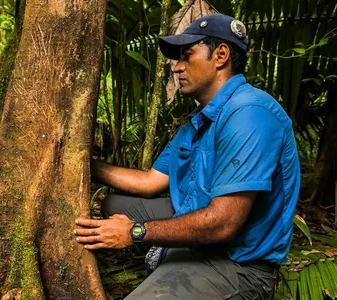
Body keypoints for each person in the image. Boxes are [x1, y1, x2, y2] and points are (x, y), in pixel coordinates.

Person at [74, 13, 300, 299]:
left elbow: (223, 223)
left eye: (187, 56)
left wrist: (135, 232)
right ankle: (174, 251)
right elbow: (148, 182)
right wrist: (84, 163)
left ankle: (178, 264)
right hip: (203, 231)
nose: (177, 68)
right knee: (116, 204)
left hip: (236, 264)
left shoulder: (250, 114)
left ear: (220, 55)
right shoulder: (199, 122)